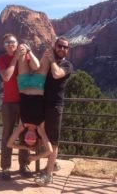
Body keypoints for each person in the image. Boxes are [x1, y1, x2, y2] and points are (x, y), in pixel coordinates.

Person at [34, 36, 73, 186]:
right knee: (42, 135)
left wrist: (50, 60)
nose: (62, 49)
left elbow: (57, 74)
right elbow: (37, 72)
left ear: (67, 50)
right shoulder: (50, 60)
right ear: (54, 47)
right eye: (60, 46)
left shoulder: (67, 65)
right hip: (42, 104)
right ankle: (53, 163)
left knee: (53, 141)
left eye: (65, 47)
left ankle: (48, 175)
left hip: (55, 106)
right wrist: (44, 58)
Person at [6, 42, 53, 164]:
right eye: (32, 140)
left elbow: (9, 144)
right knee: (49, 52)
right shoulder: (40, 128)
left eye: (27, 140)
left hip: (23, 84)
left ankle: (27, 48)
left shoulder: (22, 126)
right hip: (38, 85)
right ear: (37, 138)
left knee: (22, 48)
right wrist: (35, 157)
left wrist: (25, 148)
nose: (29, 138)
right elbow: (49, 150)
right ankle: (32, 51)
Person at [0, 33, 32, 180]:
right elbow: (6, 76)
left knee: (25, 134)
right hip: (9, 102)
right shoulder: (2, 59)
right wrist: (15, 58)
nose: (10, 44)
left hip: (25, 101)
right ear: (4, 46)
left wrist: (28, 52)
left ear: (17, 43)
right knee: (7, 134)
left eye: (12, 42)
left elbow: (36, 68)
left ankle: (24, 164)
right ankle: (6, 167)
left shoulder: (25, 56)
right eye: (7, 43)